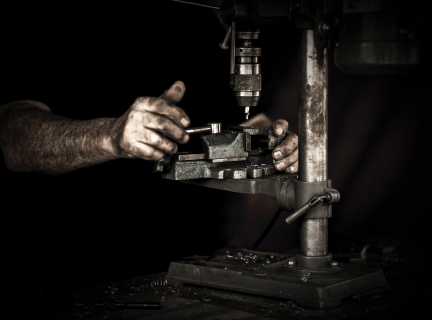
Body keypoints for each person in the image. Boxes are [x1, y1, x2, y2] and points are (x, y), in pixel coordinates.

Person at [0, 81, 298, 175]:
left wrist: (260, 141)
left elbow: (248, 118)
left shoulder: (226, 22)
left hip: (207, 255)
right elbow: (10, 135)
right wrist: (109, 136)